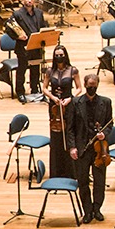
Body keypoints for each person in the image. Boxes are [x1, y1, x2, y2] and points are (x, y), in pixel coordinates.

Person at [67, 73, 113, 223]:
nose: (91, 88)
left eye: (94, 86)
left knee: (100, 180)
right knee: (83, 181)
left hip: (99, 149)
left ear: (97, 85)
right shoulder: (75, 102)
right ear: (85, 85)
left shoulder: (106, 102)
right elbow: (70, 128)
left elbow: (109, 124)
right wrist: (72, 147)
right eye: (89, 86)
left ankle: (97, 208)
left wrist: (104, 134)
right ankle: (87, 211)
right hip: (82, 148)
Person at [41, 45, 78, 180]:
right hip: (54, 105)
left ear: (65, 55)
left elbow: (79, 88)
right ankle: (56, 171)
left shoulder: (73, 70)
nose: (59, 57)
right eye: (57, 55)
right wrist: (53, 98)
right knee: (56, 135)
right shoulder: (50, 71)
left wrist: (70, 99)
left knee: (68, 132)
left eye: (61, 55)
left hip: (68, 104)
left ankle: (70, 171)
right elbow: (44, 88)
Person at [7, 0, 45, 100]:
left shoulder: (39, 13)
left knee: (35, 70)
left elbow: (43, 27)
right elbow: (8, 28)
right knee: (22, 70)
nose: (29, 1)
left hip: (36, 46)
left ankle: (35, 90)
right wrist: (18, 37)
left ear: (34, 0)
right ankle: (20, 92)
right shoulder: (17, 14)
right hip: (23, 47)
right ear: (23, 0)